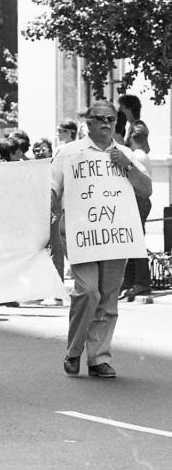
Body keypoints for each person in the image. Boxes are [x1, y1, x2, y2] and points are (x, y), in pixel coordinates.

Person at [52, 100, 151, 379]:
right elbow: (51, 189)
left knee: (108, 298)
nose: (106, 122)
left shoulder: (125, 153)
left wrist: (128, 168)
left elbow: (146, 190)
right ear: (89, 122)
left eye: (111, 118)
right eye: (99, 118)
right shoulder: (68, 153)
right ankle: (73, 352)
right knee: (88, 291)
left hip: (115, 237)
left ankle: (98, 358)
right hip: (80, 233)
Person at [121, 120, 152, 301]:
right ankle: (131, 280)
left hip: (137, 200)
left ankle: (141, 282)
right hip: (139, 200)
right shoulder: (141, 154)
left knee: (136, 243)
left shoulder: (136, 155)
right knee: (131, 242)